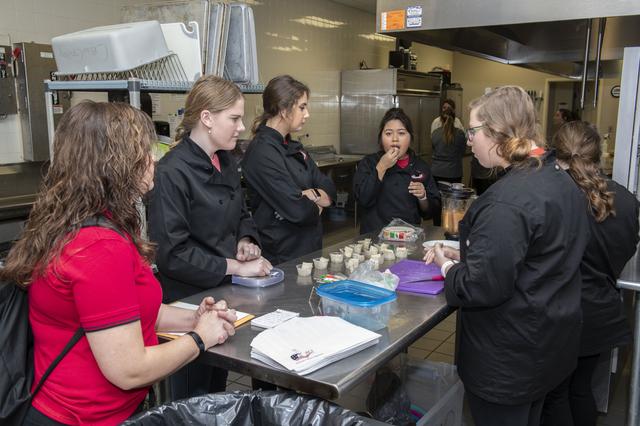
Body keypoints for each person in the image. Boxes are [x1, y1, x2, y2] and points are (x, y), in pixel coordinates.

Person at [0, 101, 237, 425]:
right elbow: (129, 370)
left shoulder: (77, 223)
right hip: (81, 419)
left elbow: (130, 315)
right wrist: (200, 339)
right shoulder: (99, 248)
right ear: (119, 163)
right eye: (145, 151)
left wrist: (194, 319)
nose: (153, 160)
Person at [424, 86, 590, 426]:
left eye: (473, 131)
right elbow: (538, 254)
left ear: (496, 132)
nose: (469, 140)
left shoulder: (505, 201)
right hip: (549, 346)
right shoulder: (558, 178)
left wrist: (448, 264)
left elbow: (479, 287)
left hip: (509, 360)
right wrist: (474, 252)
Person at [148, 75, 272, 398]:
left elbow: (242, 213)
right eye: (234, 118)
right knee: (193, 397)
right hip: (187, 301)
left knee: (216, 392)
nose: (241, 127)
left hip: (222, 296)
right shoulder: (172, 172)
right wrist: (237, 266)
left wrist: (246, 241)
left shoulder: (225, 160)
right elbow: (172, 254)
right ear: (206, 118)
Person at [541, 121, 639, 426]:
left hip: (558, 316)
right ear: (597, 155)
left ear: (557, 156)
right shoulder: (627, 201)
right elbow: (626, 250)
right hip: (599, 314)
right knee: (581, 389)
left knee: (554, 395)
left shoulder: (552, 198)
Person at [242, 75, 336, 265]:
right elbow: (299, 210)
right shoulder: (262, 152)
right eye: (302, 107)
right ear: (284, 110)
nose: (307, 114)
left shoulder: (293, 147)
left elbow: (329, 188)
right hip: (282, 255)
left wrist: (310, 194)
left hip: (310, 248)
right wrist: (311, 201)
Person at [353, 108, 441, 234]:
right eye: (388, 133)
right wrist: (381, 167)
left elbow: (431, 211)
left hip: (408, 237)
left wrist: (423, 197)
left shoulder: (420, 166)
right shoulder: (369, 163)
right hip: (375, 238)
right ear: (381, 137)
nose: (395, 139)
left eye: (401, 133)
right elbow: (362, 199)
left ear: (410, 137)